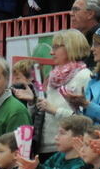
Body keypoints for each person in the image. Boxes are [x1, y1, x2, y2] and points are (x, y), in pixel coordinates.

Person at [34, 29, 92, 158]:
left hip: (70, 147)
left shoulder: (84, 76)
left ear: (71, 47)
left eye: (56, 47)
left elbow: (84, 118)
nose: (51, 52)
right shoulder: (53, 77)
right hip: (45, 145)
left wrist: (54, 110)